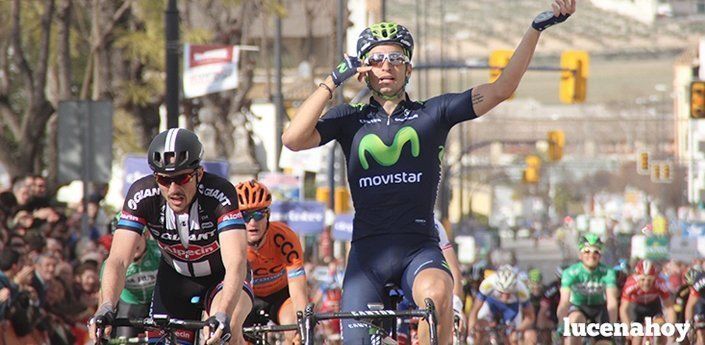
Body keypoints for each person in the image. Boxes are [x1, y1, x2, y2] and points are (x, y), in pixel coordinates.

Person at [281, 1, 576, 343]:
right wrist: (332, 81)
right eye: (376, 59)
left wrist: (535, 29)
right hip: (367, 257)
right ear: (364, 71)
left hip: (418, 248)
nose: (386, 66)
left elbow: (501, 89)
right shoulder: (348, 117)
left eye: (396, 59)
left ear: (409, 69)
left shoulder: (433, 113)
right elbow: (292, 138)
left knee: (437, 294)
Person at [90, 128, 253, 345]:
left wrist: (222, 313)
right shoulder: (142, 195)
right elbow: (118, 259)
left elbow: (236, 262)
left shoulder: (219, 193)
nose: (173, 189)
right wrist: (106, 306)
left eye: (182, 178)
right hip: (176, 279)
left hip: (222, 276)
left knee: (225, 331)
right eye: (164, 180)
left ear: (199, 174)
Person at [236, 180, 308, 344]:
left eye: (258, 214)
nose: (252, 222)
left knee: (295, 331)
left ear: (268, 215)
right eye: (245, 216)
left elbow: (298, 289)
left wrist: (303, 326)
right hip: (247, 297)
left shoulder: (284, 238)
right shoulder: (230, 242)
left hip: (280, 297)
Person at [557, 233, 618, 345]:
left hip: (599, 309)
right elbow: (564, 302)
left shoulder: (608, 272)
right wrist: (562, 323)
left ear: (600, 255)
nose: (591, 255)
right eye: (587, 251)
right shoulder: (570, 272)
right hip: (578, 308)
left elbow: (612, 302)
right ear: (580, 255)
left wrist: (612, 325)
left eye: (596, 252)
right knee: (575, 322)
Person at [467, 265, 536, 345]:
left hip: (511, 308)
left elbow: (530, 317)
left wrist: (518, 330)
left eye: (508, 293)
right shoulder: (487, 284)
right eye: (501, 292)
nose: (504, 296)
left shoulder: (521, 289)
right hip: (491, 305)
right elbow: (474, 311)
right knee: (478, 329)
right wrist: (471, 332)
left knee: (513, 339)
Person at [619, 259, 675, 345]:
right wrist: (628, 328)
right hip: (636, 308)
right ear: (637, 278)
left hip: (653, 306)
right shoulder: (630, 284)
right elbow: (623, 309)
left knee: (661, 330)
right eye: (642, 279)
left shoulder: (659, 283)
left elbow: (669, 307)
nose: (646, 283)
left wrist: (671, 326)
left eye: (649, 280)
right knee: (636, 337)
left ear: (654, 278)